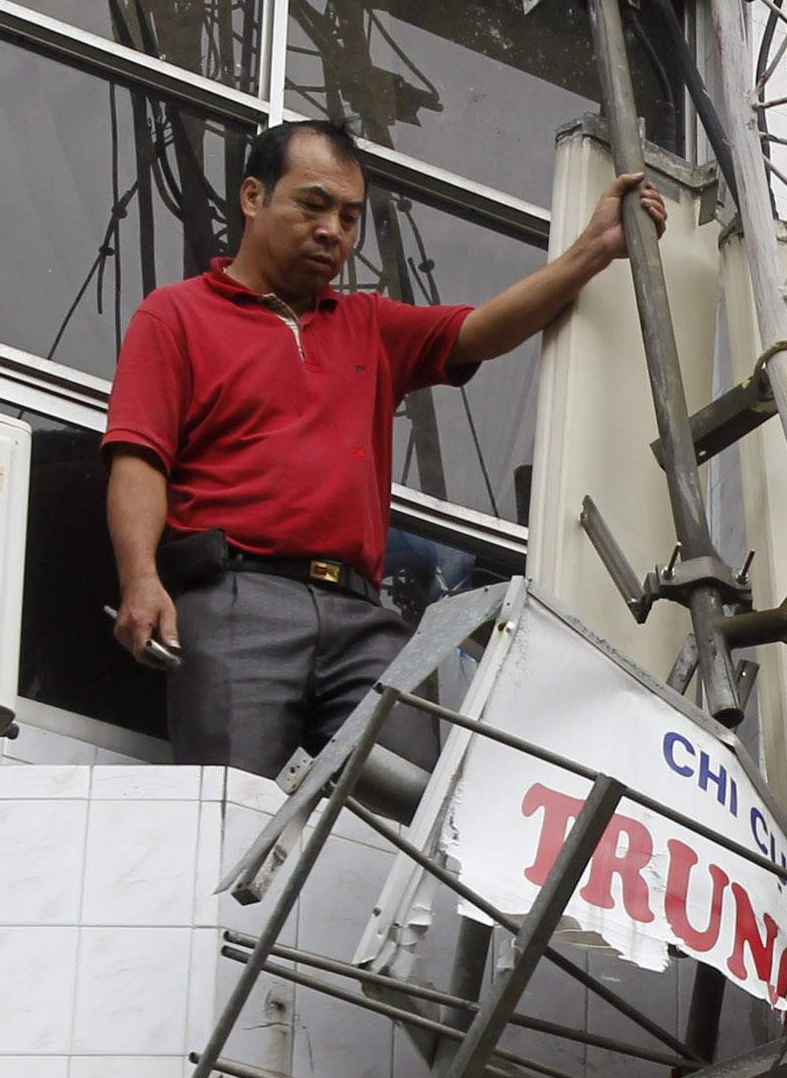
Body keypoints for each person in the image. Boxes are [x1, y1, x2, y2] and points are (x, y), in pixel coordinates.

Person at [103, 118, 666, 777]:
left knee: (426, 812)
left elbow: (481, 330)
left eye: (349, 217)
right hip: (238, 601)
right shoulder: (177, 315)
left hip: (361, 617)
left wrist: (593, 249)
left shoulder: (369, 325)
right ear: (252, 197)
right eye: (312, 206)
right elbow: (139, 456)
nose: (333, 231)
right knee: (227, 808)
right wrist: (140, 579)